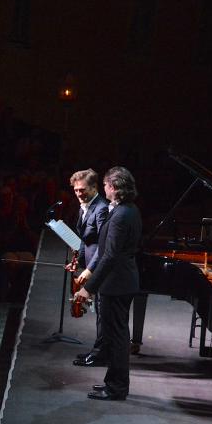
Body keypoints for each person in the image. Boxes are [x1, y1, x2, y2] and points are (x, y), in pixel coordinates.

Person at [75, 166, 142, 400]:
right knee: (117, 337)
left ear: (113, 187)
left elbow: (110, 255)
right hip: (121, 282)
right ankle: (112, 383)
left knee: (117, 338)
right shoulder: (128, 210)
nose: (104, 189)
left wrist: (88, 287)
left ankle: (116, 387)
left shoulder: (122, 215)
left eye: (105, 185)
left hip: (116, 284)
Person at [68, 169, 110, 368]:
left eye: (82, 190)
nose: (78, 194)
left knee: (103, 312)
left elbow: (103, 245)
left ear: (94, 188)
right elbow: (86, 240)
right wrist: (78, 262)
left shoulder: (101, 208)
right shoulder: (85, 207)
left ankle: (101, 354)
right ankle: (98, 351)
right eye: (76, 190)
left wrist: (90, 270)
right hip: (92, 264)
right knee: (99, 311)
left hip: (101, 268)